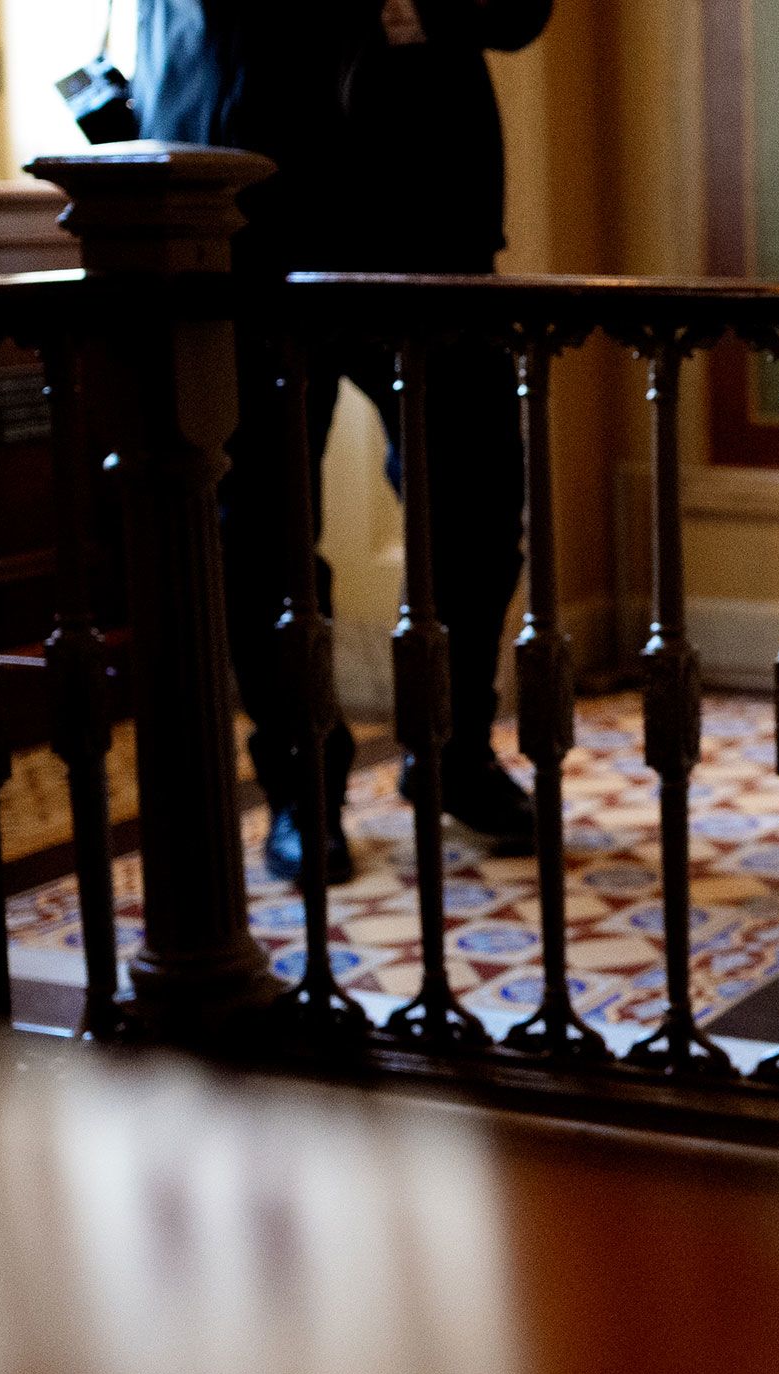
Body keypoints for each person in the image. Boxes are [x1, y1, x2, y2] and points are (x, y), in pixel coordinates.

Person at [133, 0, 554, 881]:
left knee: (478, 506)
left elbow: (515, 9)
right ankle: (298, 788)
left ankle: (455, 748)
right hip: (243, 219)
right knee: (261, 530)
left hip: (432, 218)